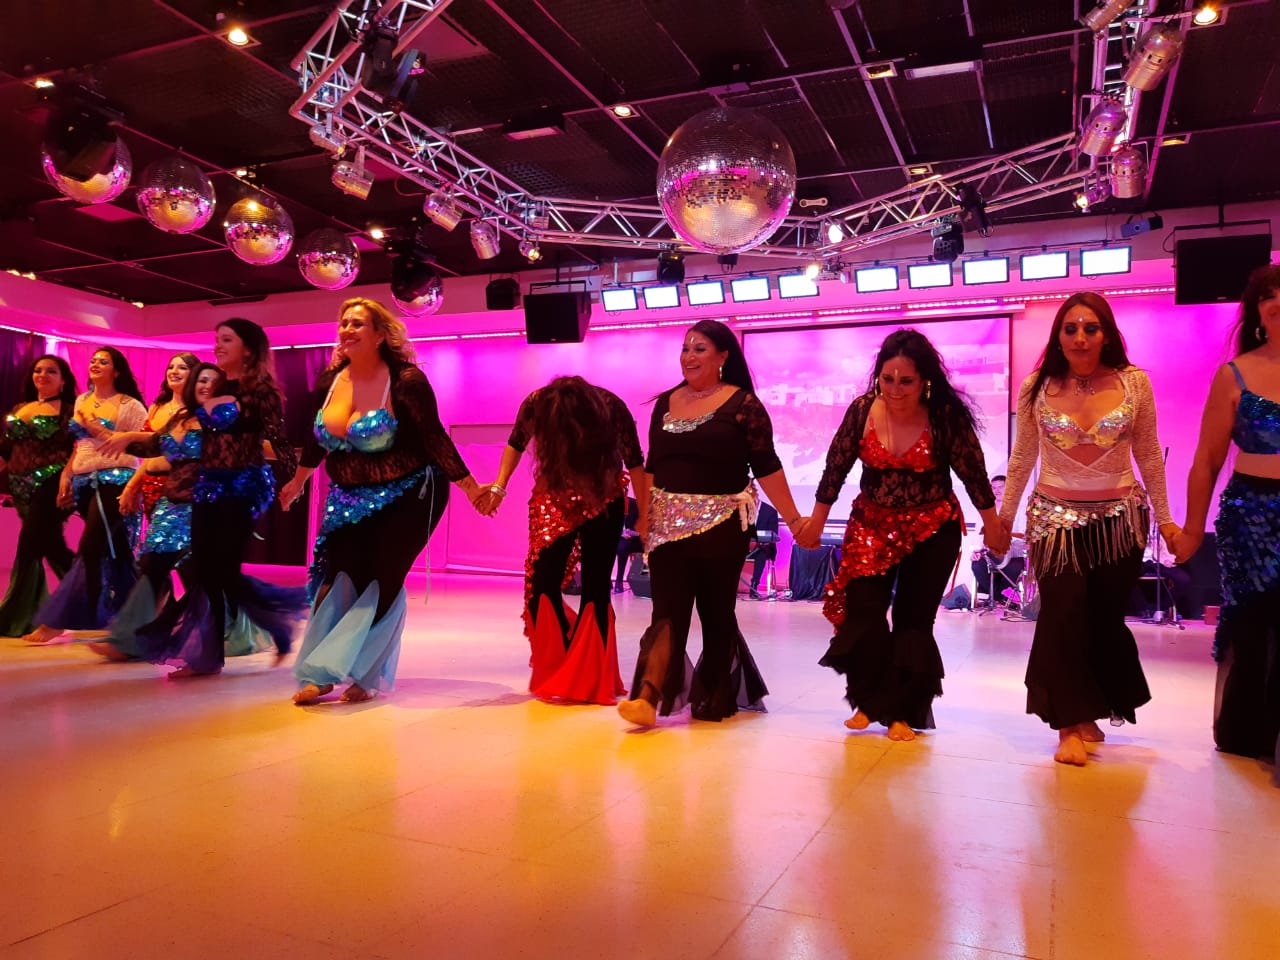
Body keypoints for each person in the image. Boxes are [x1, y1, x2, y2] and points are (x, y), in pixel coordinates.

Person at [798, 329, 1003, 741]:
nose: (895, 389)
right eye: (887, 379)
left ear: (925, 380)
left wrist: (993, 526)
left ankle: (900, 713)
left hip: (932, 528)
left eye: (906, 381)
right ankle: (870, 700)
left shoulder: (943, 415)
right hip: (871, 527)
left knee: (913, 621)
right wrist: (817, 520)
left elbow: (973, 473)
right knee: (864, 612)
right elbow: (836, 466)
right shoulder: (862, 410)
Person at [1002, 292, 1178, 766]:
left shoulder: (1134, 382)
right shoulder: (1037, 385)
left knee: (1102, 619)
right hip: (1054, 519)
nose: (1080, 337)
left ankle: (1088, 709)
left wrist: (1166, 521)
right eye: (1071, 328)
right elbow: (1022, 457)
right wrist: (1003, 518)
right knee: (1062, 614)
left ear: (1106, 335)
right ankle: (1067, 724)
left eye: (1090, 328)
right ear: (1058, 336)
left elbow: (1148, 454)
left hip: (1120, 520)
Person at [280, 298, 483, 704]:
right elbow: (316, 441)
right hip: (347, 496)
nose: (347, 329)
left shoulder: (406, 381)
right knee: (339, 576)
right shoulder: (330, 381)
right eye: (344, 323)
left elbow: (434, 438)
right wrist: (298, 481)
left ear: (379, 335)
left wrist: (471, 488)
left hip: (410, 493)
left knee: (381, 577)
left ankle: (365, 673)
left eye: (358, 323)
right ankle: (320, 672)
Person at [617, 319, 807, 727]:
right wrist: (645, 516)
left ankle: (716, 693)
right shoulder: (666, 403)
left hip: (722, 522)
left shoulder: (744, 405)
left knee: (715, 611)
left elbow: (767, 465)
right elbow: (652, 466)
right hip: (667, 525)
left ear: (723, 356)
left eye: (699, 349)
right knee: (667, 612)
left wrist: (794, 518)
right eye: (685, 348)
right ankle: (648, 695)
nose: (689, 356)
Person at [136, 319, 307, 678]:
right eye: (217, 339)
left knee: (223, 571)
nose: (218, 345)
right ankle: (211, 655)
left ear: (248, 348)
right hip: (207, 486)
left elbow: (278, 440)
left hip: (243, 487)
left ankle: (275, 623)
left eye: (226, 340)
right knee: (205, 571)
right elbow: (195, 438)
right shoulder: (217, 386)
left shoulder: (261, 390)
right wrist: (129, 441)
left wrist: (295, 482)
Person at [475, 376, 645, 706]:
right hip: (552, 498)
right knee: (540, 584)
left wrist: (645, 514)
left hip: (604, 497)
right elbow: (515, 443)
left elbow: (635, 462)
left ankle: (591, 676)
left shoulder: (611, 406)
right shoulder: (537, 402)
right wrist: (499, 486)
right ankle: (560, 664)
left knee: (596, 586)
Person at [1173, 264, 1280, 767]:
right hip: (1249, 514)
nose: (1278, 303)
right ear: (1257, 312)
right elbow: (1207, 460)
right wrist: (1193, 529)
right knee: (1253, 623)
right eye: (1268, 296)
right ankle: (1252, 734)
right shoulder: (1235, 374)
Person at [24, 348, 148, 644]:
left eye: (103, 362)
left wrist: (93, 426)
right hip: (83, 480)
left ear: (117, 371)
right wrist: (67, 474)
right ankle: (143, 616)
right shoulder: (83, 400)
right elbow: (80, 445)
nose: (96, 364)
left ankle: (61, 620)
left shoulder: (130, 405)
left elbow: (139, 446)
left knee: (91, 547)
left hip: (115, 480)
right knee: (117, 551)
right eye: (93, 360)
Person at [88, 353, 199, 657]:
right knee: (168, 565)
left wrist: (127, 437)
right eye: (171, 366)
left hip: (181, 492)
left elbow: (162, 445)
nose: (174, 371)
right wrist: (132, 487)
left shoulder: (197, 413)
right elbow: (150, 455)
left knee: (167, 563)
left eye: (183, 367)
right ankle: (152, 632)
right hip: (153, 489)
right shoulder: (158, 407)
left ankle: (136, 637)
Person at [0, 355, 77, 638]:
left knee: (30, 545)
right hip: (19, 486)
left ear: (63, 380)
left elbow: (78, 449)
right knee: (51, 546)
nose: (42, 375)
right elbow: (6, 448)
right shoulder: (20, 408)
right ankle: (96, 595)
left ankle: (13, 616)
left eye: (51, 371)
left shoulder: (69, 411)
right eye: (38, 370)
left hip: (52, 482)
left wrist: (68, 480)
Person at [971, 474, 1028, 605]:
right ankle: (999, 597)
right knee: (977, 565)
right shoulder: (986, 512)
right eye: (994, 488)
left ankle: (996, 597)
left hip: (1013, 553)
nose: (997, 490)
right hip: (990, 553)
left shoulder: (1019, 510)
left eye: (1001, 487)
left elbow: (1023, 535)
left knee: (1015, 566)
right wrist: (976, 551)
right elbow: (979, 535)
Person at [747, 501, 779, 599]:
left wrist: (757, 542)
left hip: (763, 547)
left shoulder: (770, 511)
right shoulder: (742, 509)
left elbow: (773, 534)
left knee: (761, 553)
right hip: (745, 546)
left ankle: (754, 586)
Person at [614, 497, 643, 593]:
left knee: (623, 546)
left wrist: (631, 532)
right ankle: (613, 581)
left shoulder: (634, 504)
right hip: (616, 538)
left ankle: (620, 581)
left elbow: (639, 526)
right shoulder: (609, 506)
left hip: (633, 539)